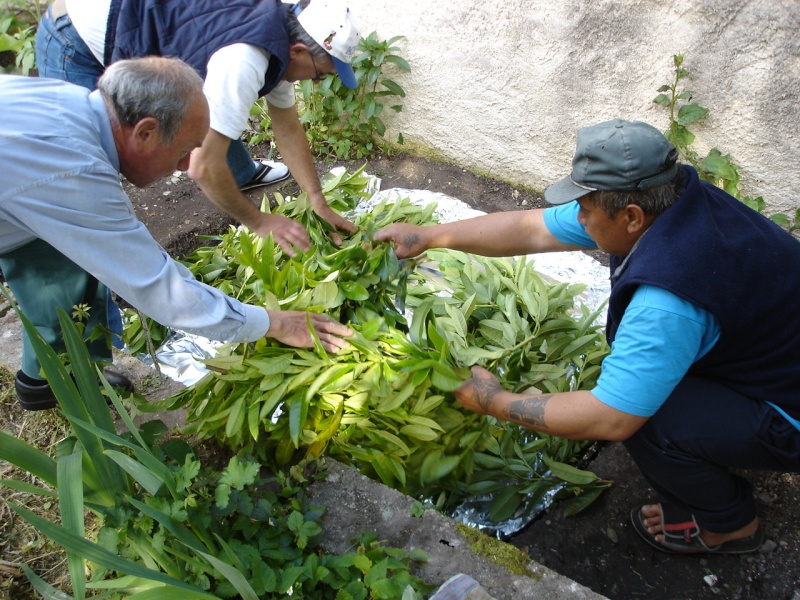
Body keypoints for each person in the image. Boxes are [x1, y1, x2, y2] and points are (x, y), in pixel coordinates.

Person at [374, 119, 800, 555]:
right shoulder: (675, 198)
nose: (578, 218)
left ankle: (730, 527)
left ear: (631, 217)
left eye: (585, 210)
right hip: (776, 353)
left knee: (649, 417)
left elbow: (610, 417)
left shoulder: (666, 299)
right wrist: (429, 236)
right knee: (651, 385)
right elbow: (531, 228)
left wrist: (494, 401)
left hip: (790, 406)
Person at [0, 56, 353, 411]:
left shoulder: (71, 102)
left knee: (63, 259)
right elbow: (160, 289)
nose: (187, 167)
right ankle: (53, 377)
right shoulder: (72, 172)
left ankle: (45, 378)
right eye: (184, 151)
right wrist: (273, 322)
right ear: (146, 132)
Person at [35, 0, 361, 255]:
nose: (315, 81)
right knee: (88, 175)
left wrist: (317, 199)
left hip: (142, 18)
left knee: (214, 107)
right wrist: (260, 221)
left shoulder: (282, 37)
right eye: (320, 74)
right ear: (299, 50)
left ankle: (239, 175)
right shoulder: (245, 59)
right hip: (75, 36)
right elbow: (202, 168)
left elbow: (288, 127)